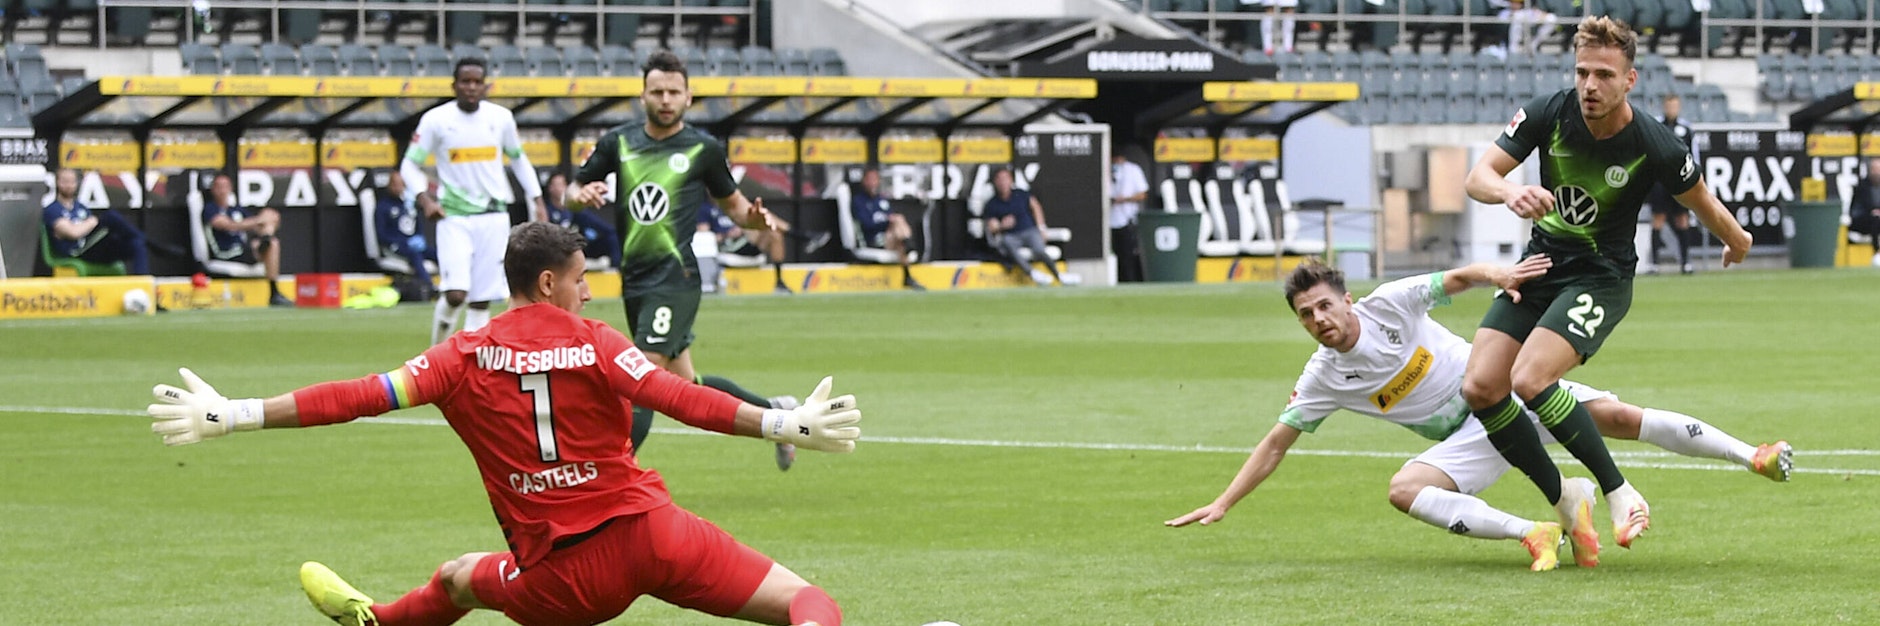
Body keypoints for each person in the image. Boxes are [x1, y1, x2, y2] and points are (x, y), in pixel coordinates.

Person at [144, 222, 860, 626]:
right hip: (655, 536)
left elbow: (354, 396)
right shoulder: (602, 341)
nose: (587, 290)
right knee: (808, 602)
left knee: (459, 580)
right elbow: (681, 398)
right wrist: (784, 424)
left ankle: (379, 623)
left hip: (562, 581)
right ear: (548, 282)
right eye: (581, 278)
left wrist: (232, 414)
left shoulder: (458, 356)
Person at [1164, 260, 1791, 571]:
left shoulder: (1387, 306)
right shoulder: (1323, 377)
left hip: (1497, 391)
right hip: (1468, 438)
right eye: (1306, 316)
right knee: (1404, 489)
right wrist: (1224, 502)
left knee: (1618, 416)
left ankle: (1750, 454)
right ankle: (1535, 531)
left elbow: (1453, 280)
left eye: (1324, 306)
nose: (1319, 321)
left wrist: (1497, 273)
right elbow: (1277, 442)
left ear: (1346, 299)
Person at [1461, 16, 1753, 552]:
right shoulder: (1550, 112)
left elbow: (1704, 203)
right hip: (1541, 266)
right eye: (1582, 73)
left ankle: (1619, 491)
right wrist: (1508, 193)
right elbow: (1479, 177)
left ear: (1629, 80)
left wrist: (1738, 240)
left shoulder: (1654, 142)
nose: (1589, 85)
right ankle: (1565, 495)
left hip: (1601, 278)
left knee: (1529, 378)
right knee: (1480, 386)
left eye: (1602, 74)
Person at [565, 50, 808, 470]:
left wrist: (752, 220)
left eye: (673, 92)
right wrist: (579, 196)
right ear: (642, 95)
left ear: (688, 97)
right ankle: (778, 414)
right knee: (685, 386)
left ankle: (609, 474)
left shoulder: (703, 149)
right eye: (656, 91)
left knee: (640, 374)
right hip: (636, 279)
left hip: (675, 276)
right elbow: (572, 191)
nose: (665, 99)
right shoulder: (618, 142)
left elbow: (735, 207)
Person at [401, 57, 546, 345]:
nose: (471, 87)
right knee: (456, 294)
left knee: (482, 301)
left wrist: (537, 199)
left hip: (493, 216)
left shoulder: (500, 118)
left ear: (486, 86)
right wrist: (425, 200)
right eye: (465, 82)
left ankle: (466, 364)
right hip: (453, 217)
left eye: (477, 82)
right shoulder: (436, 120)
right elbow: (409, 165)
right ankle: (433, 357)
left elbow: (518, 160)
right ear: (454, 86)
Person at [201, 171, 293, 307]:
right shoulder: (210, 209)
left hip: (243, 251)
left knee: (271, 233)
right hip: (226, 253)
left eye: (225, 186)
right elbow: (228, 226)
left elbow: (258, 223)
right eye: (218, 186)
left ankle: (274, 291)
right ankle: (266, 241)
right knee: (268, 235)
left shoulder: (236, 209)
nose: (222, 190)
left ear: (230, 188)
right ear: (213, 189)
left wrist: (263, 222)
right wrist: (258, 220)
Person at [42, 167, 155, 276]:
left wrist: (87, 225)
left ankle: (142, 285)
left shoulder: (81, 207)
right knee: (110, 216)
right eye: (65, 181)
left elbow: (87, 230)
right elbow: (73, 233)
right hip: (78, 252)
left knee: (136, 244)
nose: (69, 185)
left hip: (94, 248)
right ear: (57, 182)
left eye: (72, 181)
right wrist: (91, 222)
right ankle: (153, 244)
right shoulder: (52, 209)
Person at [1644, 94, 1700, 275]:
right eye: (1669, 106)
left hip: (1680, 181)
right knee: (1658, 220)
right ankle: (1654, 264)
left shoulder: (1686, 129)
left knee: (1682, 220)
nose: (1671, 109)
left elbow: (1694, 157)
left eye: (1674, 106)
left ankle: (1686, 263)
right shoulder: (1656, 126)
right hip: (1660, 181)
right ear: (1664, 107)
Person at [983, 167, 1064, 287]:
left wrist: (1042, 228)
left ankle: (1058, 275)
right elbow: (992, 226)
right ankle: (1032, 273)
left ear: (1011, 180)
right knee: (1007, 243)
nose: (1002, 182)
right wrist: (1002, 226)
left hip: (1029, 231)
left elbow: (1036, 207)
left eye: (1005, 178)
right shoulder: (992, 204)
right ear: (995, 182)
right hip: (1011, 235)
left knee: (1039, 249)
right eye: (999, 179)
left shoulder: (1021, 194)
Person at [847, 167, 925, 290]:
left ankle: (907, 274)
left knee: (898, 222)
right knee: (898, 225)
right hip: (874, 239)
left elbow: (890, 216)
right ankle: (908, 245)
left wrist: (890, 221)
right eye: (870, 179)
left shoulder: (881, 200)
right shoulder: (859, 202)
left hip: (890, 238)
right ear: (864, 181)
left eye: (875, 179)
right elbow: (866, 225)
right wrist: (886, 222)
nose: (873, 183)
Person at [536, 170, 621, 270]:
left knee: (611, 236)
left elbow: (604, 228)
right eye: (555, 185)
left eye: (562, 184)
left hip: (576, 251)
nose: (558, 188)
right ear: (550, 188)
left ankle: (615, 269)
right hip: (554, 254)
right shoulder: (545, 211)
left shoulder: (574, 210)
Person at [374, 170, 437, 300]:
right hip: (395, 245)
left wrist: (419, 238)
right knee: (415, 255)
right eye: (395, 184)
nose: (398, 188)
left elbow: (418, 226)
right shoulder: (383, 206)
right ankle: (429, 287)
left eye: (401, 185)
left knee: (436, 253)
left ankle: (452, 285)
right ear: (389, 186)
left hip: (412, 243)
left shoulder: (409, 205)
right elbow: (381, 234)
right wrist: (402, 242)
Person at [1109, 151, 1149, 283]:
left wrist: (1125, 199)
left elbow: (1143, 194)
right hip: (1108, 220)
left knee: (1128, 256)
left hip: (1127, 219)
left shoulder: (1132, 169)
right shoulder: (1106, 168)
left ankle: (1131, 282)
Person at [1845, 157, 1880, 267]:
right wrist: (1871, 212)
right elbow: (1855, 210)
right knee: (1875, 219)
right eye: (1874, 169)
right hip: (1864, 221)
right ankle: (1877, 253)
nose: (1877, 173)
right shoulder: (1862, 187)